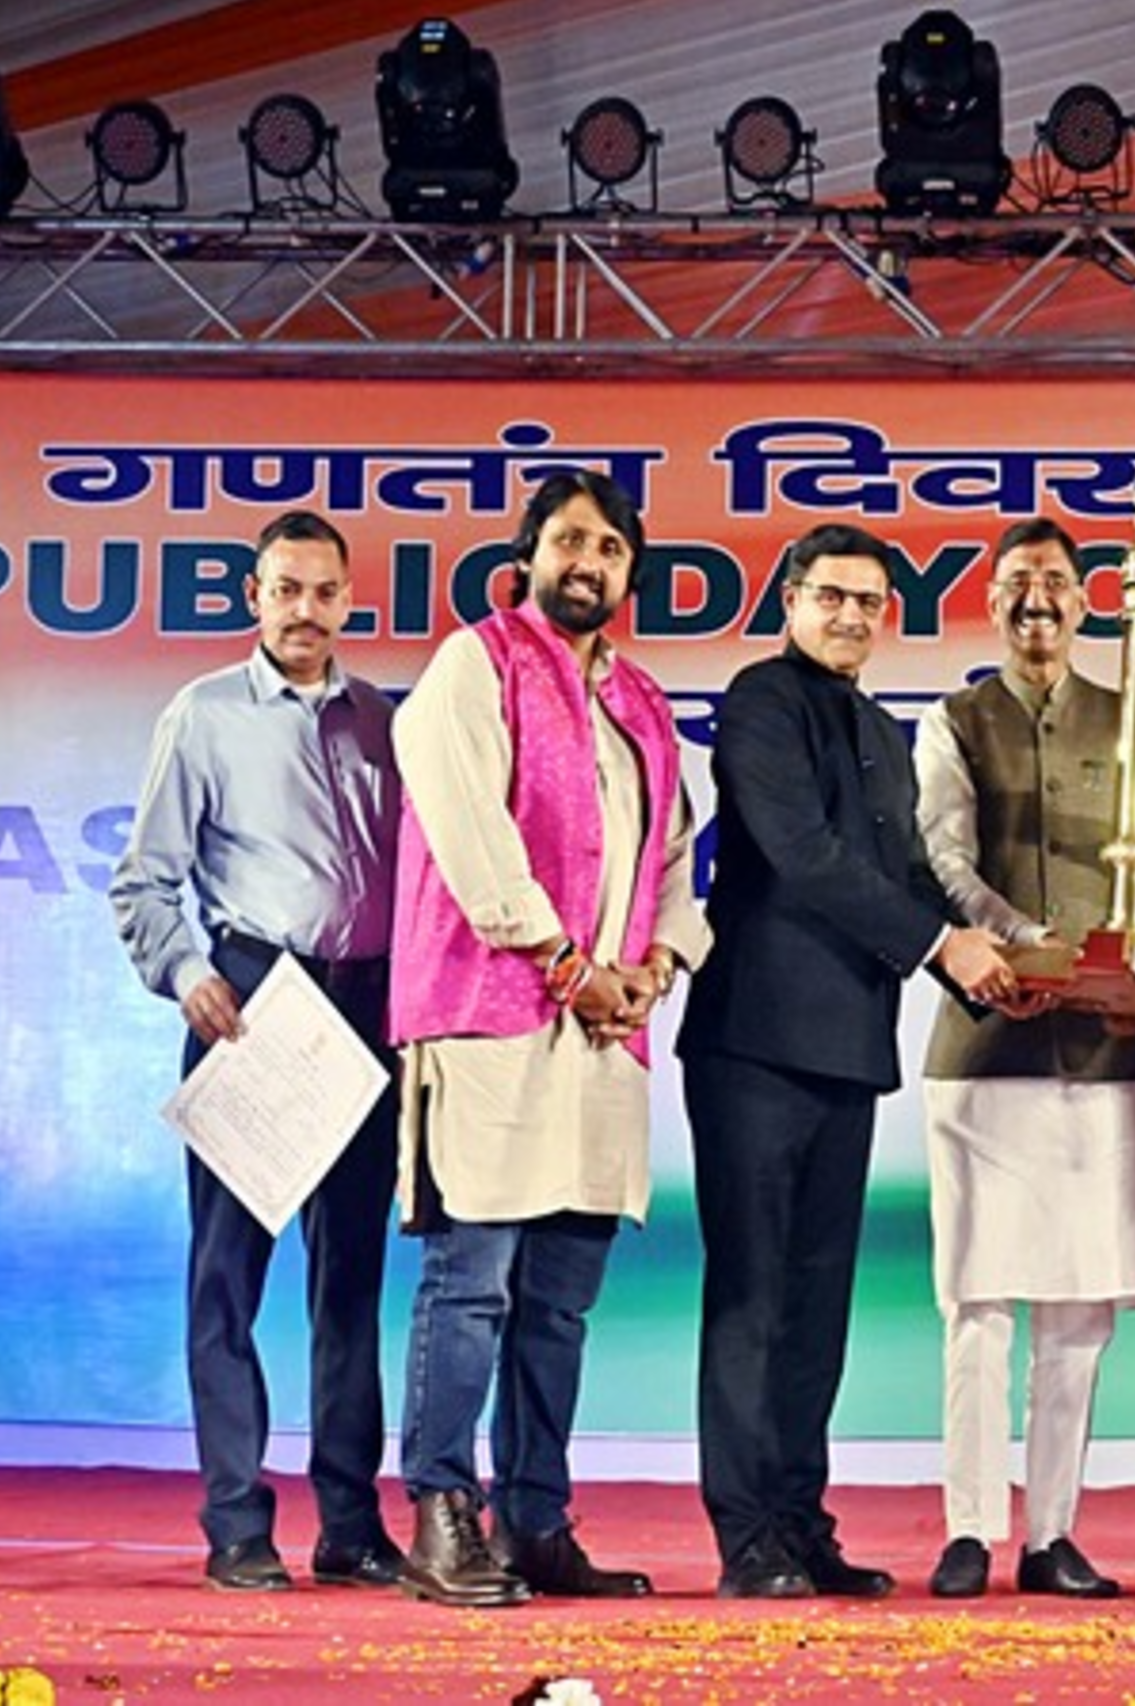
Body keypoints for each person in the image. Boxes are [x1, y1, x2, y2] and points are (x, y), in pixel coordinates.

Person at [678, 522, 1020, 1601]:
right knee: (752, 1296)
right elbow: (806, 857)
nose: (850, 616)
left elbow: (906, 870)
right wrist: (941, 946)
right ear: (789, 600)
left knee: (817, 1305)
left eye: (869, 601)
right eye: (831, 596)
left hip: (849, 1048)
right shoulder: (759, 701)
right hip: (755, 1042)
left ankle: (800, 1523)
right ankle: (748, 1538)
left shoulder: (879, 726)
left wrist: (999, 964)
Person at [387, 468, 709, 1608]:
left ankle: (535, 1520)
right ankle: (441, 1512)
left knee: (560, 1298)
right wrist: (569, 967)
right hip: (492, 1016)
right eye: (570, 540)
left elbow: (676, 857)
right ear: (525, 558)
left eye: (611, 548)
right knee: (471, 1279)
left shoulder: (644, 704)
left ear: (630, 573)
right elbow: (473, 837)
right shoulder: (473, 665)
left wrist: (658, 964)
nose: (589, 562)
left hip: (603, 1037)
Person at [110, 509, 403, 1593]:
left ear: (349, 600)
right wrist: (188, 973)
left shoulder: (384, 720)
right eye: (286, 589)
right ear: (253, 596)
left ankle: (351, 1525)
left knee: (353, 1279)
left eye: (324, 591)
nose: (305, 611)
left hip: (368, 1007)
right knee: (227, 1278)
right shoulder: (205, 715)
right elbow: (143, 880)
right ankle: (237, 1522)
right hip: (253, 1001)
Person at [914, 516, 1135, 1600]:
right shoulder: (954, 720)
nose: (1039, 600)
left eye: (1058, 583)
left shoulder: (1132, 716)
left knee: (1081, 1310)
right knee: (977, 1302)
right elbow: (941, 859)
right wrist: (1030, 947)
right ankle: (970, 1528)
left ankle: (1053, 1533)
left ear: (1086, 602)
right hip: (986, 1044)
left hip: (1103, 1052)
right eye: (1019, 582)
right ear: (992, 602)